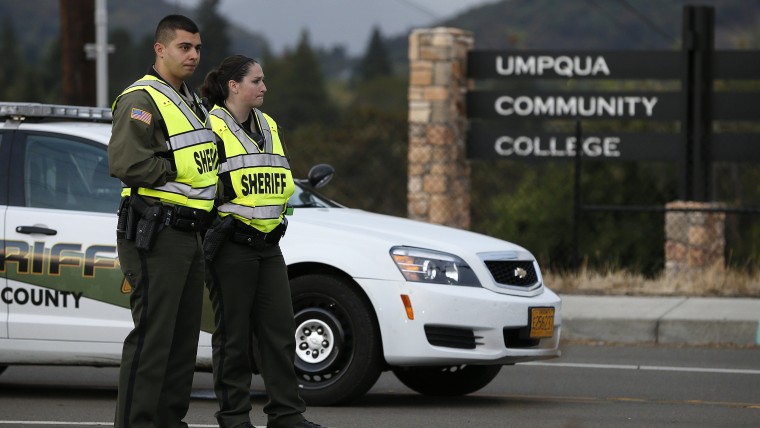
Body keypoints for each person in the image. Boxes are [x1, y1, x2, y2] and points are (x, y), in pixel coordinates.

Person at [199, 55, 325, 428]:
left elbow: (279, 181)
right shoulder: (210, 126)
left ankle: (286, 414)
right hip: (230, 244)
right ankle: (234, 417)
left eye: (264, 80)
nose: (264, 87)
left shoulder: (268, 125)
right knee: (233, 338)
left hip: (269, 245)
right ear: (233, 86)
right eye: (256, 80)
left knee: (280, 333)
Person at [108, 14, 217, 428]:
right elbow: (127, 163)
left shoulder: (191, 101)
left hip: (189, 233)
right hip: (156, 232)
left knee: (182, 342)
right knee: (154, 339)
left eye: (197, 47)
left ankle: (170, 422)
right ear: (160, 49)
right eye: (184, 47)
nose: (193, 55)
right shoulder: (142, 99)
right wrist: (180, 172)